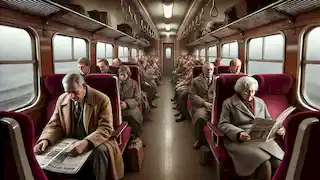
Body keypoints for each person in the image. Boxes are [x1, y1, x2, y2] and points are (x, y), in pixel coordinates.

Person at [34, 73, 124, 180]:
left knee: (100, 151)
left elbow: (105, 128)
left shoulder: (102, 99)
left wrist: (87, 142)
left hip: (97, 139)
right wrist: (46, 140)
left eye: (75, 92)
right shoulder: (62, 99)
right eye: (68, 92)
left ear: (84, 86)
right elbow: (54, 125)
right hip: (70, 139)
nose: (72, 96)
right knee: (45, 150)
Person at [217, 76, 284, 180]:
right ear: (239, 90)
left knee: (279, 162)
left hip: (260, 138)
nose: (250, 95)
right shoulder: (228, 103)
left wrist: (277, 128)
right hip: (239, 140)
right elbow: (223, 124)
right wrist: (238, 133)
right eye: (246, 92)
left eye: (253, 91)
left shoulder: (260, 102)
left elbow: (268, 119)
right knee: (264, 164)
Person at [189, 62, 216, 149]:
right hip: (202, 106)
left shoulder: (218, 80)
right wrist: (204, 103)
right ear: (203, 70)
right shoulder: (195, 81)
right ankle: (199, 140)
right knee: (200, 117)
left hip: (215, 105)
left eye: (211, 69)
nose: (209, 71)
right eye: (207, 69)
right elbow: (192, 96)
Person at [117, 66, 144, 145]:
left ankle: (137, 136)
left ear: (128, 74)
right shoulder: (114, 83)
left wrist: (127, 104)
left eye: (124, 74)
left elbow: (137, 99)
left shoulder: (134, 83)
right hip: (117, 106)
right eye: (120, 74)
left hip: (130, 107)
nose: (122, 76)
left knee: (132, 115)